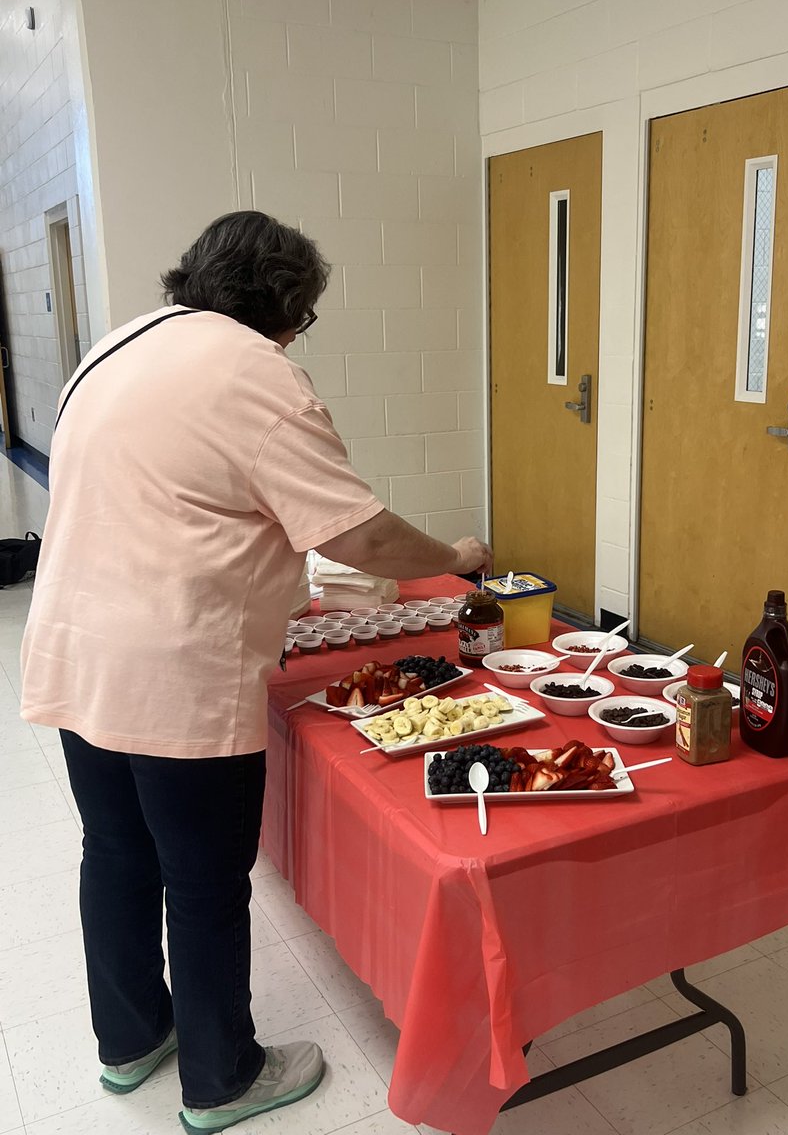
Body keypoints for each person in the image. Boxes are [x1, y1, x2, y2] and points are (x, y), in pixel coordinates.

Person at [19, 211, 492, 1134]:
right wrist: (459, 555)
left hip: (80, 651)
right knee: (201, 880)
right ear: (287, 309)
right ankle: (224, 1077)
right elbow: (359, 534)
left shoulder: (117, 347)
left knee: (115, 853)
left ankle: (132, 1041)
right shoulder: (258, 375)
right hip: (174, 670)